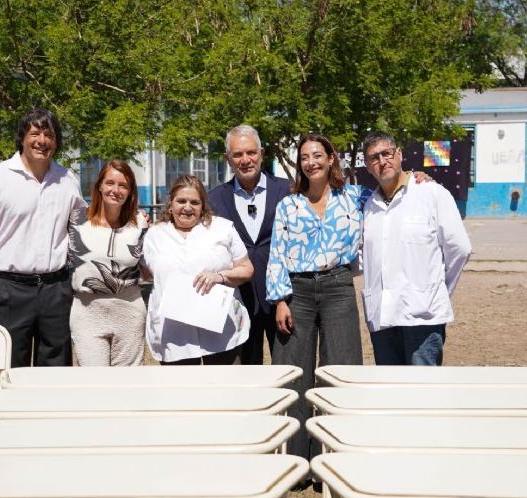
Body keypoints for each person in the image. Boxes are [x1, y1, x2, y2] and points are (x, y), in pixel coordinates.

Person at [266, 133, 369, 461]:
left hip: (338, 286)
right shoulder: (289, 204)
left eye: (317, 155)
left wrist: (415, 177)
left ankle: (335, 454)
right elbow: (277, 253)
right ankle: (297, 457)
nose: (311, 162)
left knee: (341, 368)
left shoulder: (355, 197)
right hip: (298, 292)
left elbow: (391, 191)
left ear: (330, 158)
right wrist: (280, 299)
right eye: (304, 157)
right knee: (295, 371)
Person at [0, 108, 86, 367]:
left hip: (56, 291)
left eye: (49, 134)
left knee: (56, 370)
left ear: (56, 142)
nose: (42, 140)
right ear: (22, 138)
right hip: (8, 291)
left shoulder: (68, 180)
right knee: (7, 368)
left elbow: (82, 230)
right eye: (35, 133)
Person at [361, 130, 471, 366]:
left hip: (423, 318)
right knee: (389, 391)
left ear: (399, 154)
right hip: (382, 317)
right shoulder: (369, 206)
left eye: (387, 153)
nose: (382, 162)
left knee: (422, 393)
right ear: (368, 166)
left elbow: (459, 249)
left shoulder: (432, 194)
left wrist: (436, 290)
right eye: (374, 158)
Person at [143, 174, 254, 364]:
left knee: (224, 391)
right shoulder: (154, 234)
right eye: (181, 201)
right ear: (170, 204)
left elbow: (246, 269)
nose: (187, 207)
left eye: (194, 202)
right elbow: (146, 273)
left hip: (221, 333)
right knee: (182, 393)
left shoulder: (222, 228)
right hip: (174, 336)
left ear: (203, 206)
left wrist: (220, 276)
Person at [208, 125, 292, 364]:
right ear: (228, 159)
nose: (245, 160)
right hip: (239, 301)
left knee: (287, 369)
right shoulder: (214, 199)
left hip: (283, 301)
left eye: (251, 153)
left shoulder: (287, 191)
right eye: (237, 154)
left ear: (262, 153)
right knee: (247, 373)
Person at [68, 160, 149, 366]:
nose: (116, 190)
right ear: (100, 186)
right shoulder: (76, 219)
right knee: (94, 384)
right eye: (110, 183)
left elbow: (150, 262)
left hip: (129, 311)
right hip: (88, 312)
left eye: (123, 185)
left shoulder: (139, 222)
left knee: (128, 384)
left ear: (130, 191)